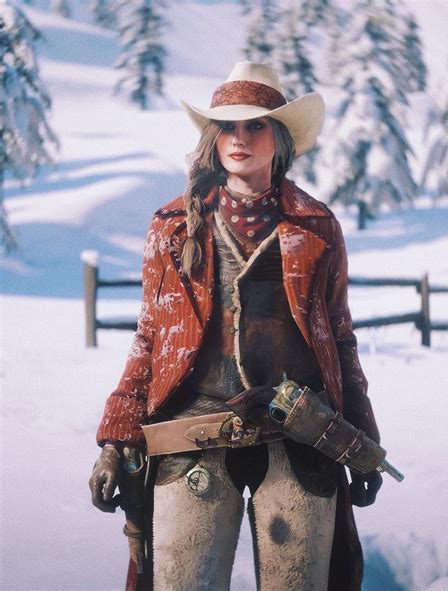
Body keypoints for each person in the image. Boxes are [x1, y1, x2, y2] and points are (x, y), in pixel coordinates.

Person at [89, 61, 383, 591]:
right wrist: (115, 439)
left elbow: (340, 340)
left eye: (256, 124)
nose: (240, 137)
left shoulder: (317, 228)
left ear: (281, 139)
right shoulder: (172, 228)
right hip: (191, 438)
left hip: (301, 435)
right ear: (213, 138)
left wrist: (363, 438)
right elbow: (150, 339)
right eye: (228, 126)